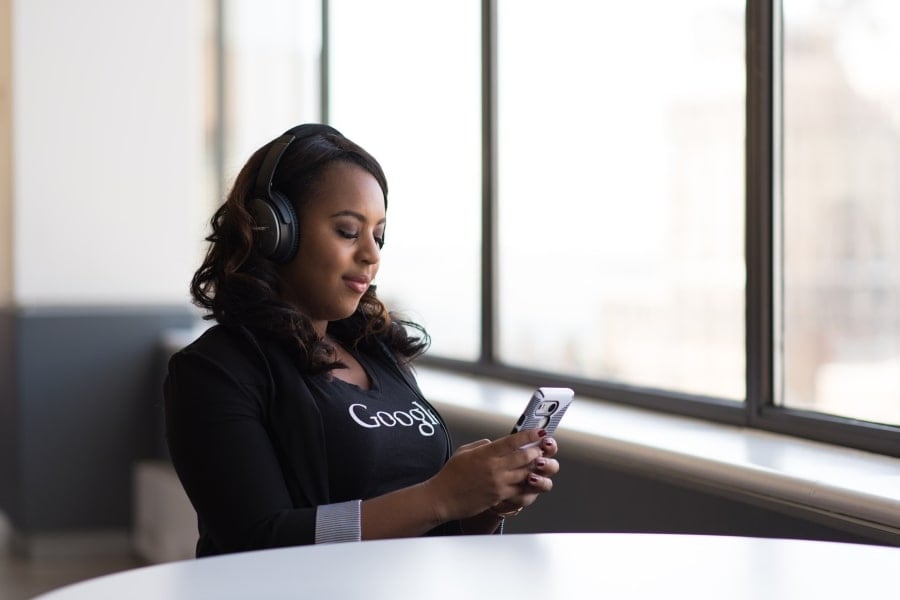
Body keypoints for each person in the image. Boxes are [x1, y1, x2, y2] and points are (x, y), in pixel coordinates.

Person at [164, 123, 560, 557]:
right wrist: (440, 496)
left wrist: (485, 503)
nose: (371, 254)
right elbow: (260, 542)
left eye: (378, 234)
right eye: (349, 232)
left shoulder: (378, 354)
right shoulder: (214, 371)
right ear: (273, 232)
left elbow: (431, 530)